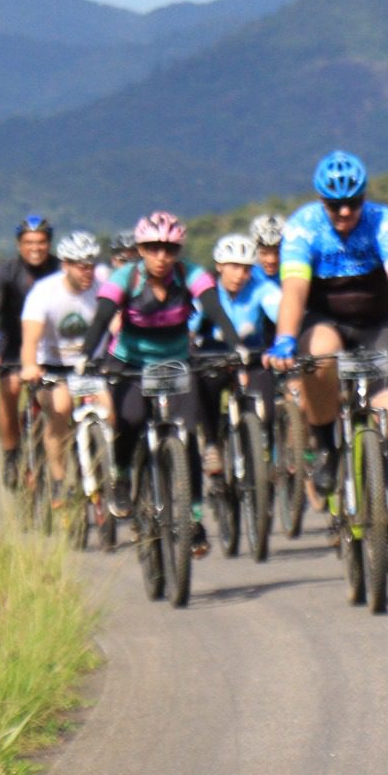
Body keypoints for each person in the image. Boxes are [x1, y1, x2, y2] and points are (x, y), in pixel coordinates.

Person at [262, 150, 388, 576]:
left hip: (375, 323)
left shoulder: (383, 221)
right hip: (324, 317)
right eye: (335, 205)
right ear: (321, 202)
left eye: (353, 203)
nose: (345, 212)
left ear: (365, 198)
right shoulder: (303, 226)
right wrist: (286, 338)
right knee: (317, 356)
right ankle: (327, 445)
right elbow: (293, 290)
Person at [78, 212, 243, 558]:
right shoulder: (126, 278)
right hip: (131, 363)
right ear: (141, 249)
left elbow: (214, 309)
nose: (161, 257)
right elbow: (103, 317)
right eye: (153, 248)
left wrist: (234, 343)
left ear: (178, 250)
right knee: (130, 419)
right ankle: (121, 476)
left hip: (176, 362)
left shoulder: (190, 275)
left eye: (168, 249)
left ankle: (194, 520)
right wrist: (85, 354)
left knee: (186, 438)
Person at [19, 231, 111, 507]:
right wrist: (29, 366)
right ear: (66, 265)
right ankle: (59, 479)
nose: (88, 272)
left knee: (111, 411)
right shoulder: (44, 292)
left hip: (89, 367)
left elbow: (117, 324)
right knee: (59, 410)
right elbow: (30, 340)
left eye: (92, 264)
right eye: (82, 265)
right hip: (51, 367)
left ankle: (107, 473)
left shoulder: (102, 286)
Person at [191, 233, 282, 484]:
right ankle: (211, 443)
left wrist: (288, 340)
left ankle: (262, 449)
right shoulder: (207, 291)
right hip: (213, 356)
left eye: (245, 269)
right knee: (204, 386)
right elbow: (190, 325)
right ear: (220, 266)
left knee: (267, 406)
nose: (239, 275)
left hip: (252, 357)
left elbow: (281, 313)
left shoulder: (262, 289)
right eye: (233, 267)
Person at [0, 215, 60, 490]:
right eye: (28, 243)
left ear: (49, 243)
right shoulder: (6, 272)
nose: (35, 248)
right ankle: (11, 452)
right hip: (12, 341)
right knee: (10, 387)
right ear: (18, 245)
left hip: (50, 344)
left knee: (57, 399)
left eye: (41, 242)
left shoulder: (60, 270)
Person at [250, 214, 286, 285]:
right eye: (264, 253)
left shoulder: (294, 276)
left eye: (277, 253)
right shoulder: (247, 277)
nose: (271, 260)